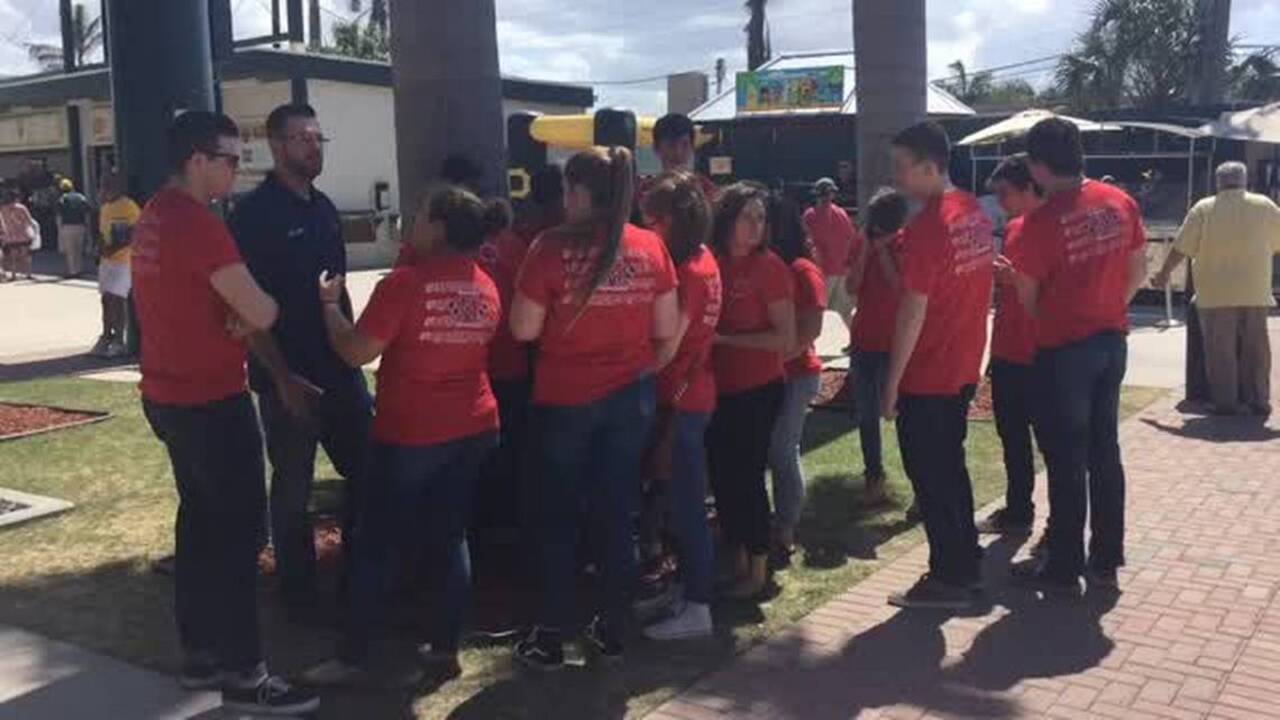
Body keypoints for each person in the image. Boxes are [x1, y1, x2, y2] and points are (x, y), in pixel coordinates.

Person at [131, 110, 318, 715]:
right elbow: (262, 311)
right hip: (211, 401)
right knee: (239, 538)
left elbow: (206, 300)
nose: (240, 169)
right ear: (197, 161)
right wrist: (249, 312)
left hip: (167, 397)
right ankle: (244, 672)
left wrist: (235, 312)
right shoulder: (199, 225)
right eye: (231, 159)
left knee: (200, 527)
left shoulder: (154, 216)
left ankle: (202, 654)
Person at [302, 186, 503, 686]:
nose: (410, 224)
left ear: (437, 226)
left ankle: (352, 656)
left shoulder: (406, 284)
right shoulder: (486, 286)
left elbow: (355, 352)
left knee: (376, 545)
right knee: (449, 537)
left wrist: (329, 307)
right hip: (475, 427)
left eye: (418, 216)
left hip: (411, 432)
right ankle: (444, 648)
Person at [510, 147, 679, 669]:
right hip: (631, 399)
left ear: (581, 192)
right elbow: (666, 326)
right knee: (615, 513)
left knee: (558, 516)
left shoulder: (548, 248)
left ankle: (553, 633)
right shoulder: (650, 246)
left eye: (567, 190)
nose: (564, 200)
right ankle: (611, 629)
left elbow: (523, 328)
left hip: (566, 401)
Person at [228, 103, 373, 615]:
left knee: (370, 470)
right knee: (293, 489)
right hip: (287, 379)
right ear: (275, 145)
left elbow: (338, 292)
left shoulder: (325, 208)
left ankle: (363, 578)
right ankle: (299, 595)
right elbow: (245, 311)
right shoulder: (252, 214)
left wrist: (354, 353)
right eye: (301, 138)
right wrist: (282, 377)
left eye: (317, 137)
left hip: (340, 373)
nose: (312, 147)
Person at [1001, 117, 1148, 595]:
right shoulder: (1119, 202)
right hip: (1111, 342)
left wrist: (1067, 316)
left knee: (1065, 460)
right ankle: (1105, 557)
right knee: (1105, 452)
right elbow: (1137, 272)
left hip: (1063, 350)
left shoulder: (1036, 225)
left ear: (1038, 167)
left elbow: (1027, 297)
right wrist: (1105, 308)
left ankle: (1064, 566)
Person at [882, 121, 994, 609]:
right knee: (951, 469)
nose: (897, 178)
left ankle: (950, 576)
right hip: (962, 364)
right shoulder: (971, 211)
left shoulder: (928, 227)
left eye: (903, 168)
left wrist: (891, 384)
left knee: (931, 475)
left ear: (930, 167)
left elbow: (912, 311)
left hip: (931, 372)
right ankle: (963, 562)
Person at [639, 170, 722, 640]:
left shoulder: (685, 272)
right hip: (695, 393)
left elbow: (668, 346)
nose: (645, 225)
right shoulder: (706, 259)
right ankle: (691, 588)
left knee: (689, 506)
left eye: (651, 217)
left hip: (681, 400)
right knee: (682, 501)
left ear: (669, 220)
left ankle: (699, 605)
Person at [708, 182, 796, 600]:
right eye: (748, 216)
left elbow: (785, 337)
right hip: (716, 389)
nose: (756, 226)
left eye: (761, 218)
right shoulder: (711, 261)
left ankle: (760, 568)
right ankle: (739, 559)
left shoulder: (770, 267)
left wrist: (726, 341)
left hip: (758, 389)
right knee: (723, 478)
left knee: (747, 477)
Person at [1153, 161, 1280, 416]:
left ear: (1217, 182)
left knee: (1220, 353)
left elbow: (1181, 246)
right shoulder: (1264, 206)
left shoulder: (1204, 208)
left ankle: (1226, 403)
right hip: (1254, 290)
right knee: (1256, 350)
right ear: (1245, 181)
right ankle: (1258, 399)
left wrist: (1164, 273)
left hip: (1214, 293)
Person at [977, 154, 1045, 536]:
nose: (999, 201)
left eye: (1004, 192)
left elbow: (1051, 290)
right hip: (1006, 349)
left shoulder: (1050, 228)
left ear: (1026, 188)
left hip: (1039, 353)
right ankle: (1018, 510)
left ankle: (1057, 526)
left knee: (1051, 442)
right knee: (1012, 438)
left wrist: (1012, 276)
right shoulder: (1016, 229)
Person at [767, 193, 825, 559]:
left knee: (783, 451)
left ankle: (786, 524)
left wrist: (776, 360)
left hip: (797, 375)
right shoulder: (768, 265)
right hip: (772, 375)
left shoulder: (803, 269)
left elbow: (812, 328)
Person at [845, 188, 910, 506]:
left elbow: (901, 291)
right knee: (866, 415)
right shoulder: (862, 241)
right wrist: (867, 251)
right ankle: (874, 475)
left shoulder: (907, 243)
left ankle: (919, 482)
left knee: (901, 416)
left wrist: (884, 252)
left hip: (895, 345)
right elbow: (851, 287)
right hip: (864, 343)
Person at [803, 177, 860, 340]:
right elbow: (851, 239)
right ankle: (857, 340)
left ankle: (807, 345)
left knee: (814, 310)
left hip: (823, 271)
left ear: (817, 195)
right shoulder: (841, 213)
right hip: (842, 269)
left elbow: (807, 242)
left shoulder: (811, 215)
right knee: (845, 310)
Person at [94, 173, 141, 359]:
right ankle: (106, 336)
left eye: (107, 185)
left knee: (117, 298)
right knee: (106, 299)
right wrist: (99, 247)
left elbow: (135, 231)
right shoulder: (105, 207)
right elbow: (102, 231)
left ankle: (119, 341)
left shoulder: (129, 206)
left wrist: (114, 248)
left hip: (124, 260)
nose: (104, 188)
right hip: (107, 260)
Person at [646, 113, 719, 201]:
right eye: (671, 145)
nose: (678, 152)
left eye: (685, 145)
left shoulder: (707, 190)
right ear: (656, 148)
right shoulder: (645, 192)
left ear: (692, 147)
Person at [0, 184, 37, 282]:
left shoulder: (3, 208)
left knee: (13, 256)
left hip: (10, 235)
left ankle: (13, 275)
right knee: (26, 255)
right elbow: (29, 220)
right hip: (23, 234)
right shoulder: (21, 208)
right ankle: (28, 274)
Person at [56, 178, 91, 278]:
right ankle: (79, 269)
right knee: (79, 249)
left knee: (70, 250)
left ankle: (72, 271)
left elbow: (59, 215)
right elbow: (87, 212)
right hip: (80, 225)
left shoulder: (62, 199)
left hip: (67, 226)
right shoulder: (81, 197)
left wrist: (59, 228)